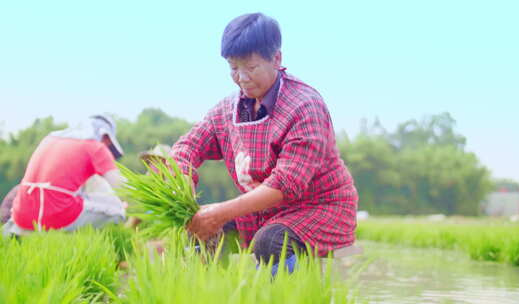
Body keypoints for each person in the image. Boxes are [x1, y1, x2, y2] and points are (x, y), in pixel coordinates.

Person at [172, 13, 358, 273]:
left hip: (317, 207)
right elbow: (187, 147)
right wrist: (182, 182)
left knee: (271, 241)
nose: (242, 78)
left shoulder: (305, 106)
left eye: (251, 67)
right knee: (200, 230)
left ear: (277, 59)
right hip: (263, 210)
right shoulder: (228, 109)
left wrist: (218, 212)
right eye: (233, 68)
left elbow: (285, 184)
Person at [3, 114, 127, 236]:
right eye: (108, 142)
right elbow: (121, 188)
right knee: (118, 212)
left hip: (22, 216)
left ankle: (17, 232)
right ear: (105, 136)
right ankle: (80, 245)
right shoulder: (96, 147)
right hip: (56, 216)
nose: (107, 145)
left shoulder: (49, 139)